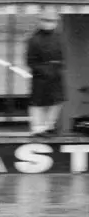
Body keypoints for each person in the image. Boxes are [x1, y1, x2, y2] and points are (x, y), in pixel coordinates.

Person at [26, 9, 65, 137]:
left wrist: (59, 68)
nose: (50, 24)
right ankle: (38, 128)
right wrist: (44, 70)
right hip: (41, 76)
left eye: (52, 21)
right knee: (38, 102)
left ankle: (49, 126)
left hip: (55, 74)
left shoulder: (58, 37)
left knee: (57, 101)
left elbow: (61, 54)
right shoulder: (34, 40)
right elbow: (30, 61)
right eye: (47, 21)